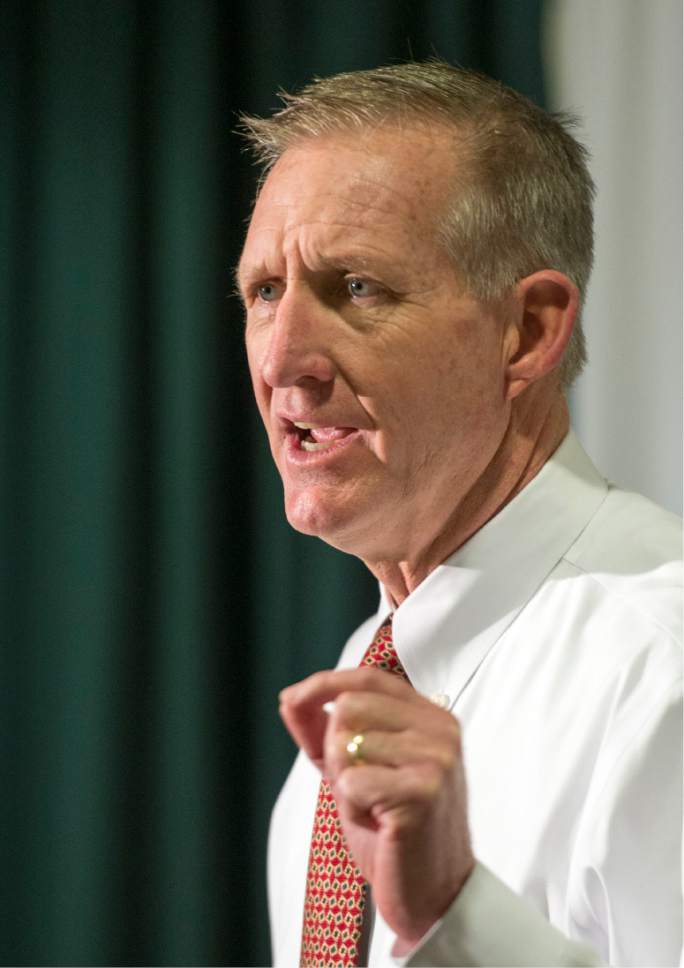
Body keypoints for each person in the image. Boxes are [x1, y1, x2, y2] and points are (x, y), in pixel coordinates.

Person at [236, 61, 682, 967]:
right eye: (264, 292)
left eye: (357, 287)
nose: (284, 361)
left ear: (527, 331)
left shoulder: (660, 669)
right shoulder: (360, 686)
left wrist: (454, 913)